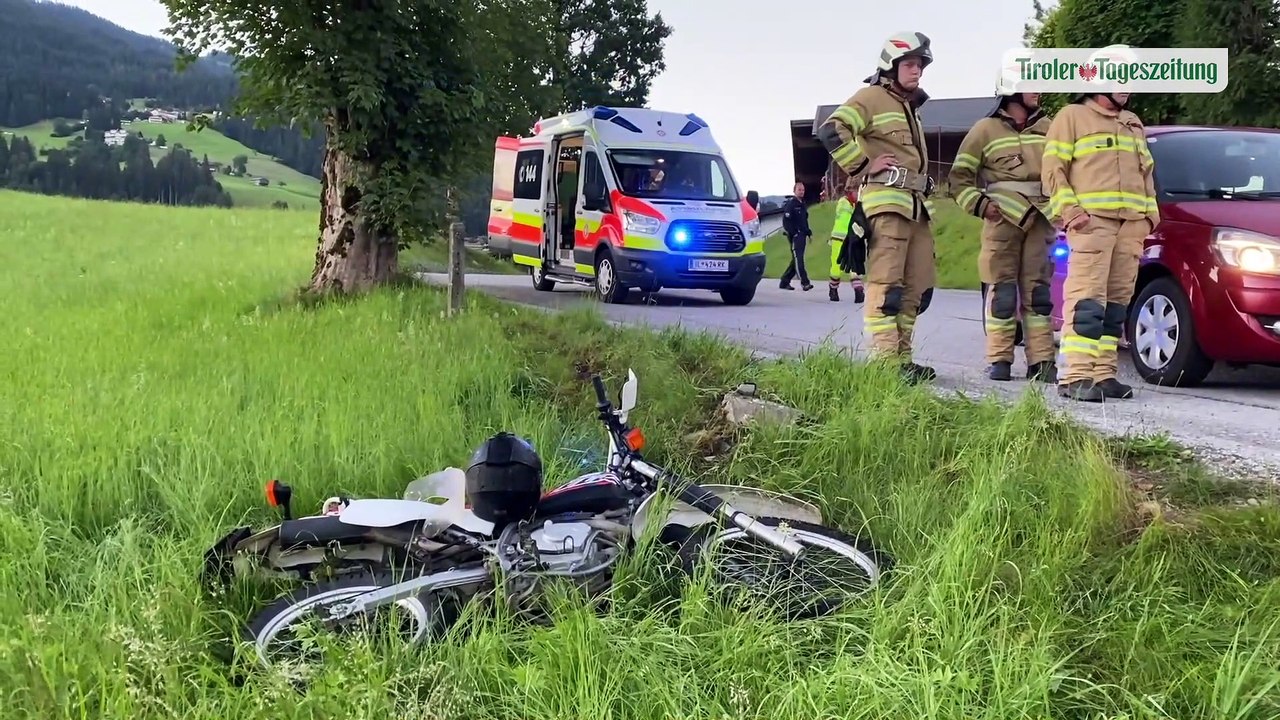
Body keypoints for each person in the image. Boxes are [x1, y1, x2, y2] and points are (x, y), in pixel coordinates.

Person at [816, 31, 938, 384]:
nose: (917, 71)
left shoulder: (909, 107)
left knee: (915, 287)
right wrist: (862, 165)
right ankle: (885, 364)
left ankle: (903, 359)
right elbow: (831, 130)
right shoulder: (872, 97)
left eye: (920, 65)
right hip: (887, 204)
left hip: (915, 208)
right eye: (910, 64)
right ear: (891, 65)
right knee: (887, 284)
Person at [1041, 43, 1159, 402]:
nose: (1127, 85)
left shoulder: (1132, 122)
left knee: (1116, 306)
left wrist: (1149, 218)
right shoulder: (1072, 117)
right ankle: (1075, 376)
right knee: (1087, 302)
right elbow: (1053, 171)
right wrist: (1073, 214)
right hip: (1092, 227)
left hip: (1130, 228)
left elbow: (1146, 175)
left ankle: (1104, 375)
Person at [948, 65, 1057, 384]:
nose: (1039, 90)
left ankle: (1042, 362)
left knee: (1039, 294)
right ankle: (999, 359)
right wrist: (982, 206)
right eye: (1031, 84)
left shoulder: (1050, 128)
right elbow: (959, 178)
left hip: (1040, 221)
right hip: (1002, 222)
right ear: (1011, 90)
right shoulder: (985, 130)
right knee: (1003, 292)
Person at [828, 176, 866, 303]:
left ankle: (858, 291)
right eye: (858, 192)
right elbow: (850, 221)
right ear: (851, 191)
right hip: (840, 238)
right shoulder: (844, 203)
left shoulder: (856, 204)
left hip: (852, 239)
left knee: (855, 265)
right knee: (836, 266)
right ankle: (833, 288)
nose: (859, 195)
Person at [779, 181, 813, 291]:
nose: (801, 192)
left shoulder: (802, 204)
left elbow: (804, 221)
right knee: (799, 259)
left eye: (803, 190)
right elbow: (786, 221)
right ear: (794, 191)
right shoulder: (791, 205)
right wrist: (794, 233)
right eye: (799, 190)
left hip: (802, 236)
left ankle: (784, 281)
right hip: (795, 237)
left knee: (795, 260)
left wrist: (808, 232)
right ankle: (805, 282)